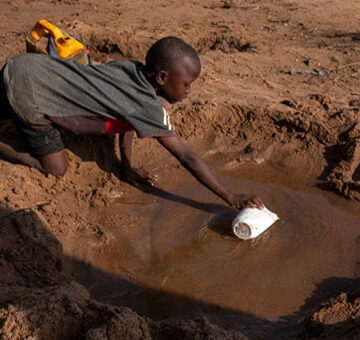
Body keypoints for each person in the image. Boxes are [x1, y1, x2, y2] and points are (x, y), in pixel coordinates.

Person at [0, 36, 264, 210]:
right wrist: (229, 196)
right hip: (30, 95)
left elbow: (126, 119)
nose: (188, 92)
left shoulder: (132, 69)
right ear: (161, 78)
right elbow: (187, 157)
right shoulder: (148, 106)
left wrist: (126, 166)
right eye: (186, 84)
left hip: (27, 67)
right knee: (56, 169)